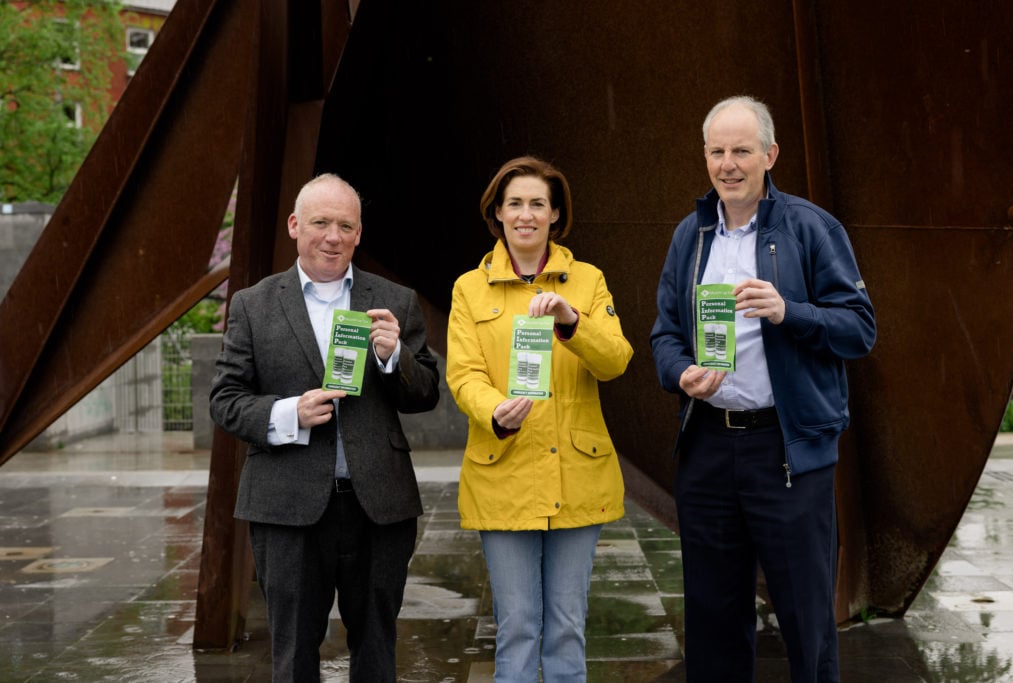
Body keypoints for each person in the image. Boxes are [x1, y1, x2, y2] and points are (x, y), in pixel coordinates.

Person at [650, 96, 876, 682]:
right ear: (704, 157)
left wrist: (789, 312)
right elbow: (665, 335)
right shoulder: (690, 236)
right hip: (707, 450)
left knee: (806, 620)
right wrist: (680, 374)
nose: (728, 164)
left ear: (769, 155)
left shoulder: (810, 226)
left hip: (787, 450)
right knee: (713, 621)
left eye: (742, 151)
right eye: (717, 151)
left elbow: (859, 328)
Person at [209, 173, 440, 681]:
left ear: (359, 233)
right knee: (292, 654)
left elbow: (425, 394)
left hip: (379, 505)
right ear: (295, 226)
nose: (332, 236)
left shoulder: (395, 301)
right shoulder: (254, 304)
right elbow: (225, 401)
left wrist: (392, 356)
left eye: (345, 225)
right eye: (320, 223)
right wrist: (288, 413)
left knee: (377, 648)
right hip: (287, 505)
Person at [446, 156, 634, 681]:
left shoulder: (588, 281)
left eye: (537, 204)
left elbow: (616, 361)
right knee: (519, 625)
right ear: (498, 214)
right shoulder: (469, 288)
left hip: (578, 475)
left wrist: (572, 321)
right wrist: (494, 411)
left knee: (568, 625)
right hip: (503, 472)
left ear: (555, 215)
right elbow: (463, 376)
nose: (525, 214)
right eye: (515, 204)